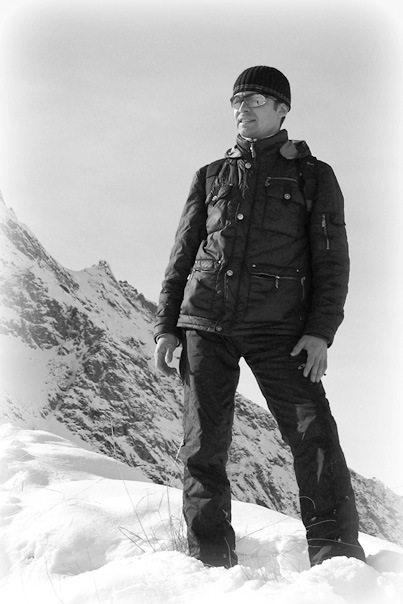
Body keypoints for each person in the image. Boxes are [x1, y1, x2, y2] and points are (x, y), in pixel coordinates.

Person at [154, 66, 366, 568]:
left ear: (282, 109)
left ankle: (337, 560)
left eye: (254, 100)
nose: (242, 109)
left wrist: (321, 332)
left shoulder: (314, 176)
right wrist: (166, 325)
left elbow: (332, 259)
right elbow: (183, 255)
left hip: (281, 329)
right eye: (237, 101)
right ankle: (210, 560)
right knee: (203, 445)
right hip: (206, 322)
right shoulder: (210, 175)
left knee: (314, 435)